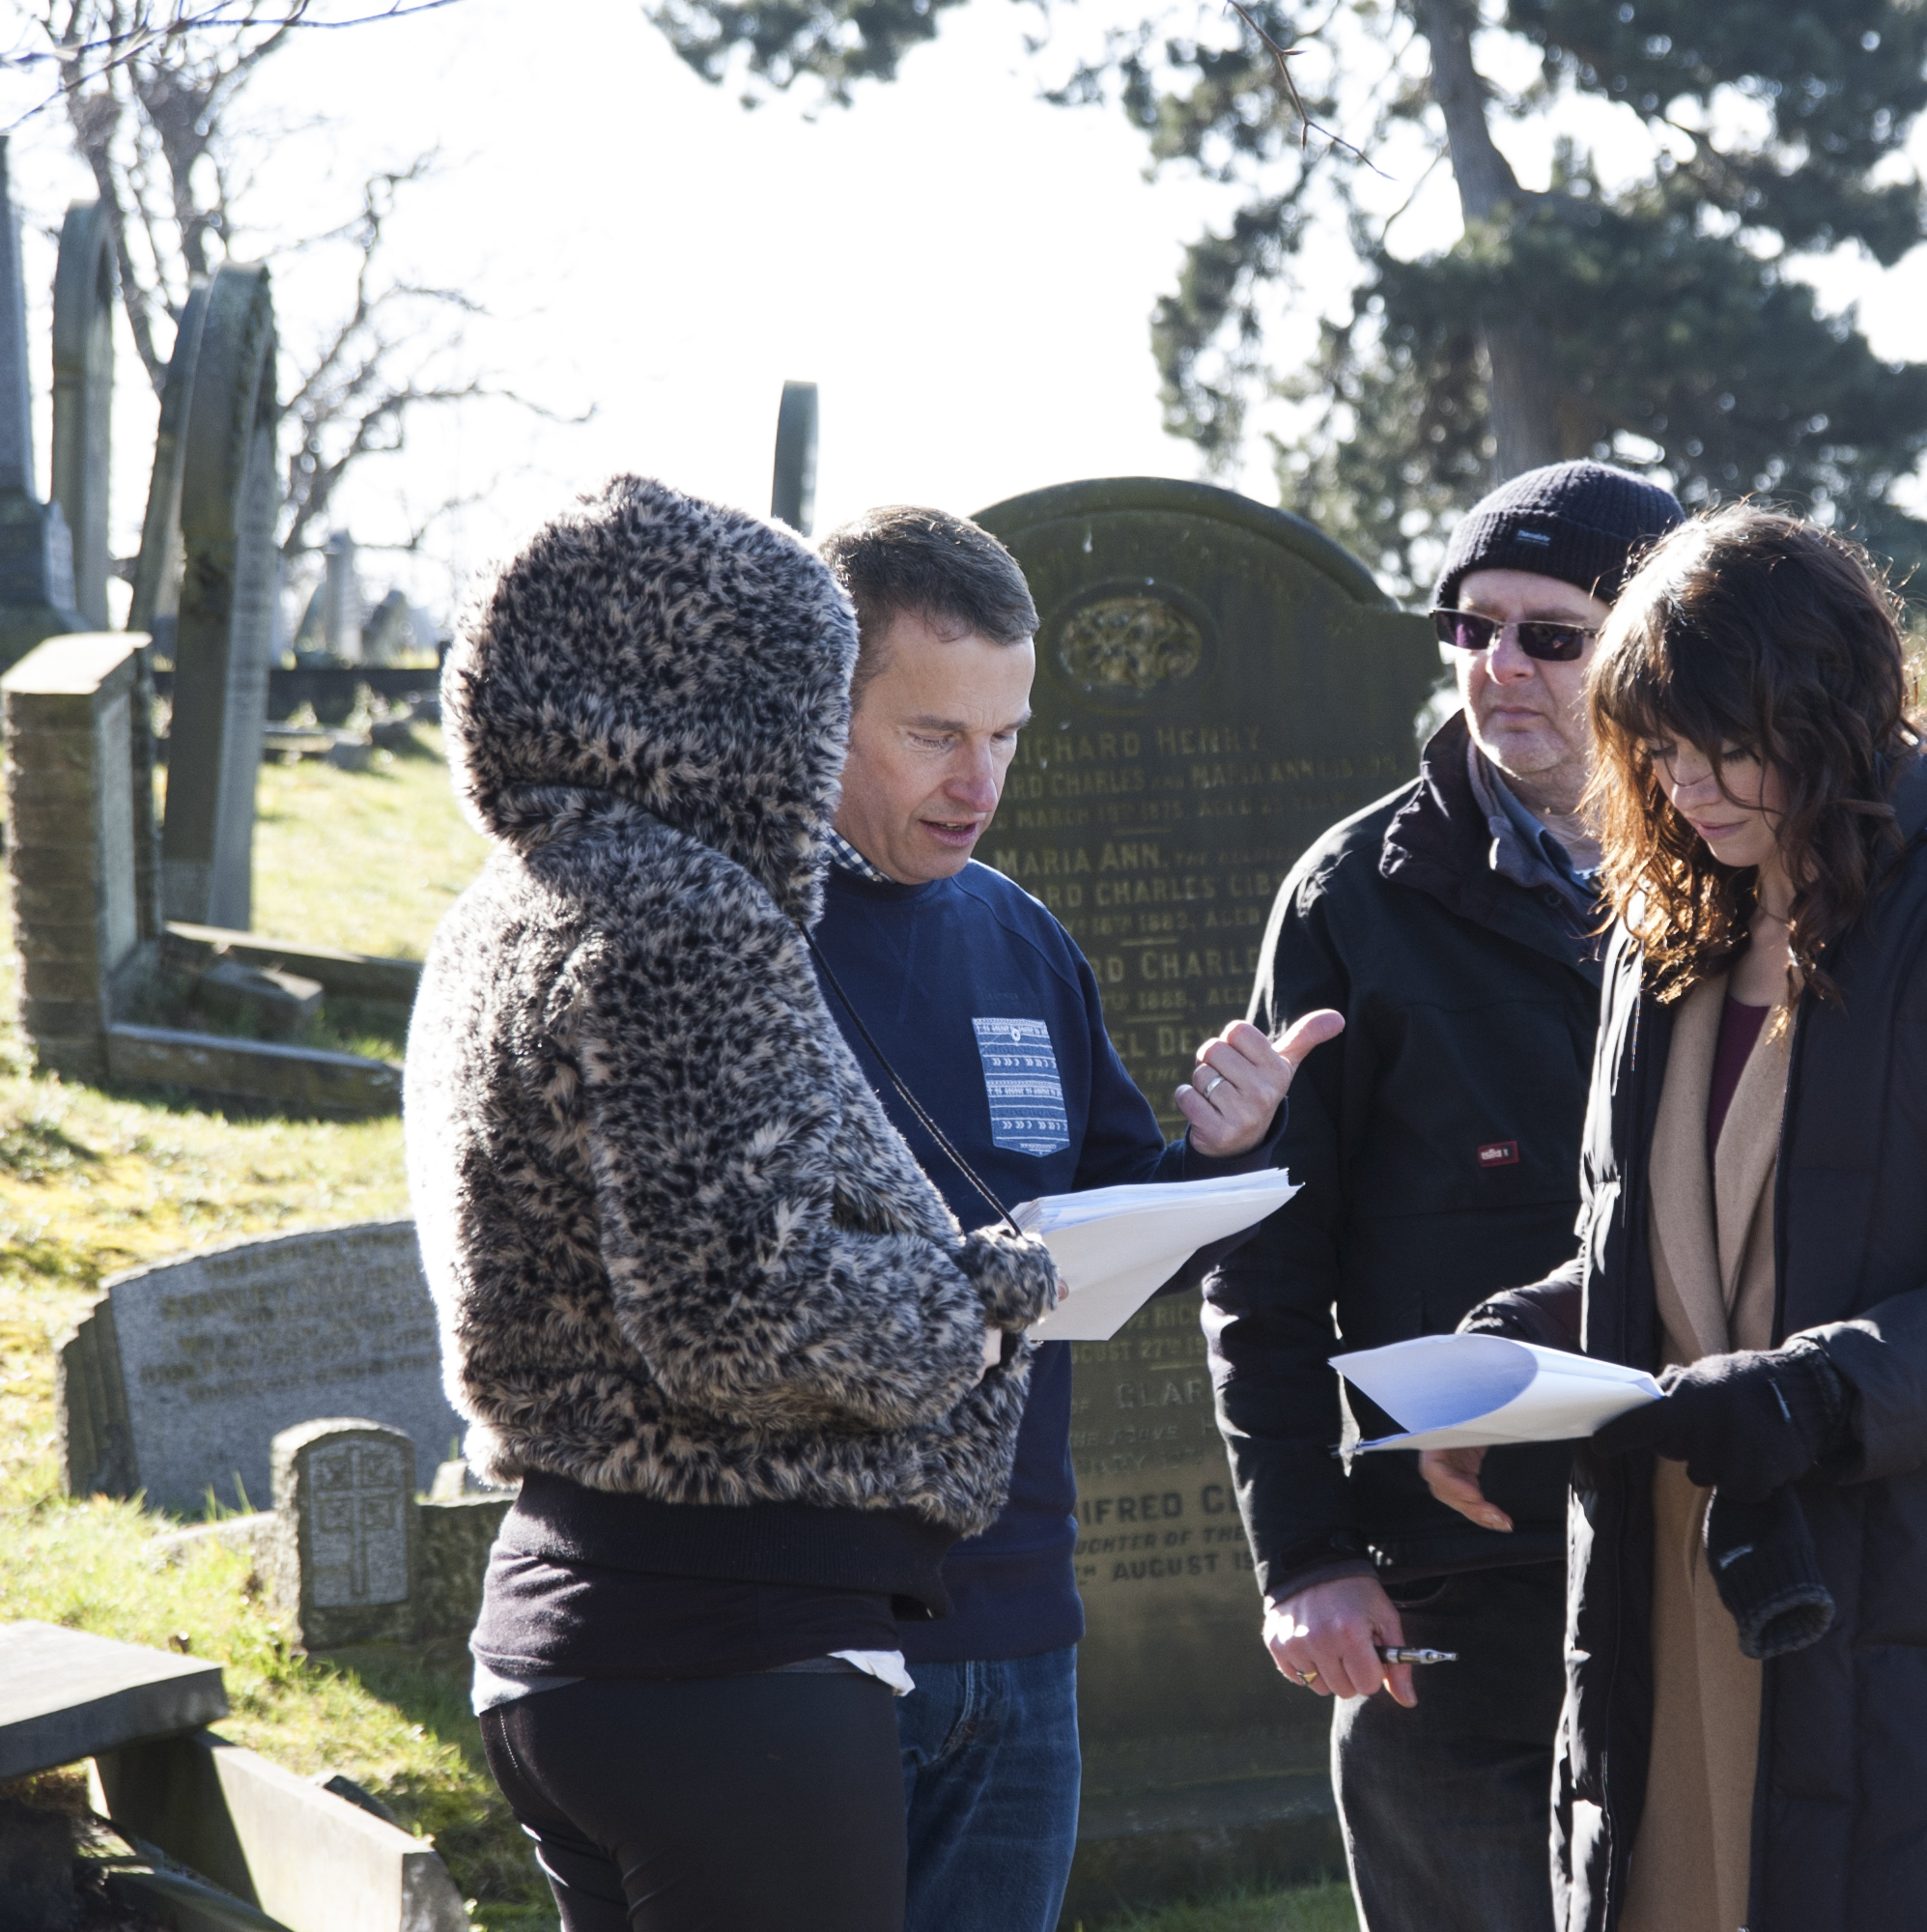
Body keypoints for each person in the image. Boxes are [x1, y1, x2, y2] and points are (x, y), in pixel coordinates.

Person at [1423, 503, 1927, 1932]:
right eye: (1652, 746)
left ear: (1828, 709)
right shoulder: (1673, 931)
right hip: (1669, 1593)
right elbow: (1685, 1243)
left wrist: (1813, 1396)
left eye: (1720, 741)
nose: (1683, 782)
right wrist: (1518, 1349)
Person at [409, 475, 1063, 1931]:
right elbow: (737, 1314)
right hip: (727, 1648)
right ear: (747, 701)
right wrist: (985, 1299)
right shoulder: (684, 915)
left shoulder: (508, 902)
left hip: (571, 1635)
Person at [805, 503, 1335, 1932]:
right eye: (933, 734)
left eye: (1009, 736)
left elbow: (1116, 1230)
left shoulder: (1018, 933)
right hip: (808, 1634)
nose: (981, 782)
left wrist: (1223, 1153)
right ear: (816, 707)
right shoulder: (734, 938)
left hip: (1026, 1624)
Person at [1202, 460, 1685, 1931]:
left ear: (1650, 648)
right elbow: (1266, 1263)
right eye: (1470, 626)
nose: (1499, 667)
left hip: (1707, 1530)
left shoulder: (1747, 864)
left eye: (1553, 632)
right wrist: (1308, 1555)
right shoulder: (1353, 897)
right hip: (1453, 1574)